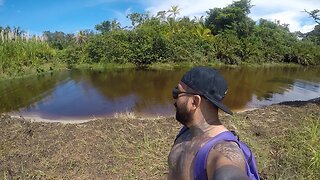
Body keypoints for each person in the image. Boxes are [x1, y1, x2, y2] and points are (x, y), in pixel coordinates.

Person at [168, 66, 260, 180]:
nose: (174, 99)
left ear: (194, 102)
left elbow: (229, 172)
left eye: (177, 92)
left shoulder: (222, 148)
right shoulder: (187, 131)